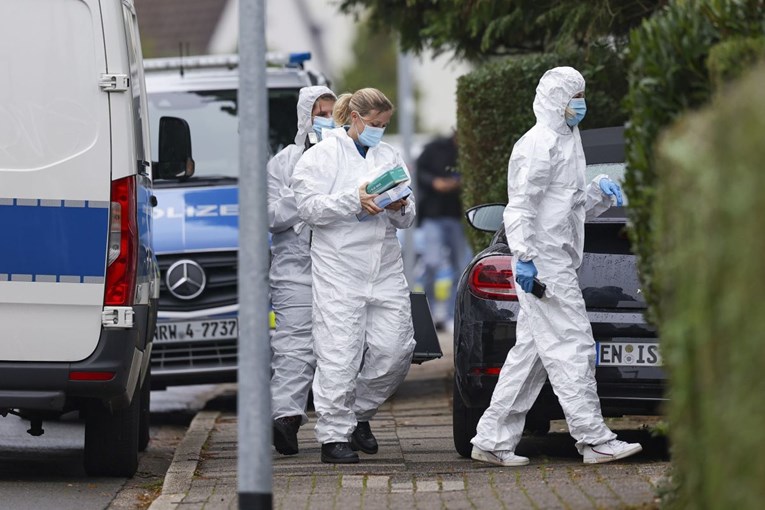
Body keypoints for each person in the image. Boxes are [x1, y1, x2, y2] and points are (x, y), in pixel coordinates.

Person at [470, 66, 641, 467]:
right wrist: (525, 258)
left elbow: (567, 210)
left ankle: (492, 439)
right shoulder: (538, 144)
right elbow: (520, 209)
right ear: (555, 100)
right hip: (544, 263)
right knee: (573, 346)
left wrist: (599, 193)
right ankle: (593, 439)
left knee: (530, 357)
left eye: (581, 95)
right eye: (573, 97)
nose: (580, 104)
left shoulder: (568, 140)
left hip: (556, 258)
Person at [291, 88, 417, 464]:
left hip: (385, 267)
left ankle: (359, 413)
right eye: (375, 123)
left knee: (397, 350)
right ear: (356, 118)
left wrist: (399, 206)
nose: (380, 130)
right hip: (339, 269)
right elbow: (308, 208)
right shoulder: (322, 156)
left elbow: (408, 217)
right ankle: (333, 436)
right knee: (339, 353)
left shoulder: (388, 155)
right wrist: (353, 200)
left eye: (385, 124)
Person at [267, 85, 337, 455]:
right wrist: (302, 194)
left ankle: (348, 421)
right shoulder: (283, 163)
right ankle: (286, 418)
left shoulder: (347, 157)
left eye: (331, 113)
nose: (326, 120)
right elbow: (270, 216)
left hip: (339, 266)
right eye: (319, 114)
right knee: (293, 343)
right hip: (294, 269)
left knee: (342, 345)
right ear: (304, 117)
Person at [415, 132, 471, 331]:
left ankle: (450, 315)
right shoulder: (434, 148)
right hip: (433, 215)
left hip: (457, 216)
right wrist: (435, 182)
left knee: (461, 267)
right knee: (432, 262)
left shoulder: (468, 152)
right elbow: (419, 172)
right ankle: (427, 312)